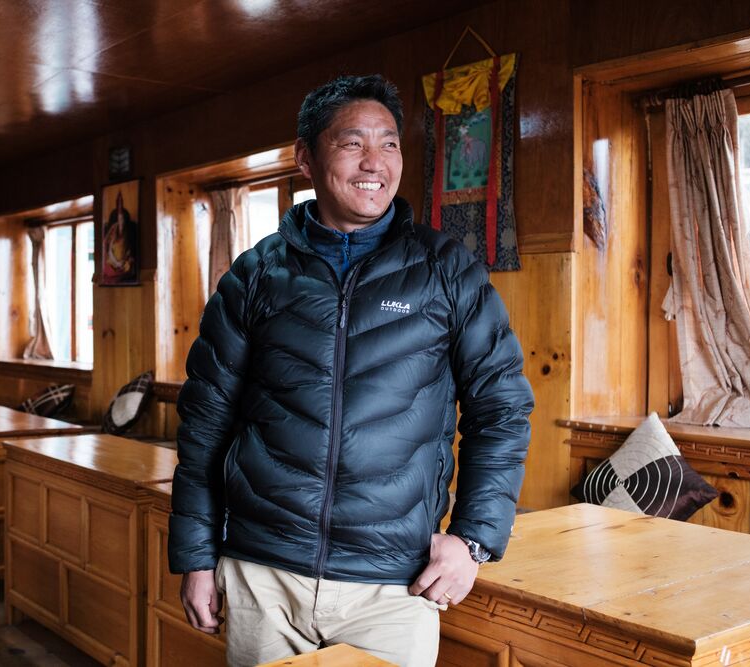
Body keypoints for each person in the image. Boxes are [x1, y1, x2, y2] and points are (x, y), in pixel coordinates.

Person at [168, 74, 534, 667]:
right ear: (305, 159)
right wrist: (195, 556)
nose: (374, 162)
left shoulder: (445, 270)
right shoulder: (255, 275)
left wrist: (473, 540)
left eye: (388, 144)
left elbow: (502, 410)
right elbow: (205, 425)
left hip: (395, 583)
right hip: (265, 575)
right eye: (351, 143)